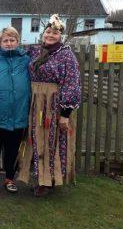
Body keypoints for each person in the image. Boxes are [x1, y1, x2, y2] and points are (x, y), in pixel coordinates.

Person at [17, 14, 81, 197]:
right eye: (48, 31)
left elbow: (71, 84)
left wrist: (65, 114)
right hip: (35, 103)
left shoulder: (66, 56)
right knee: (36, 140)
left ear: (60, 36)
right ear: (43, 33)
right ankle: (40, 178)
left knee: (50, 141)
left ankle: (49, 181)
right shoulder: (35, 51)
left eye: (54, 33)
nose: (50, 35)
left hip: (53, 106)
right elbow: (15, 54)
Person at [0, 27, 30, 193]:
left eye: (12, 40)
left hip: (18, 114)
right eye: (5, 40)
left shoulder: (26, 61)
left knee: (12, 150)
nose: (9, 43)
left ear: (18, 41)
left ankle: (10, 179)